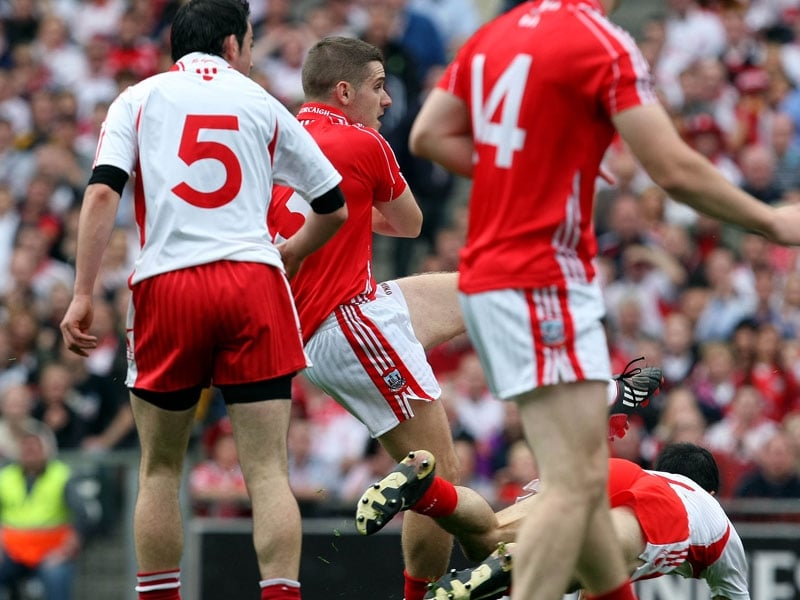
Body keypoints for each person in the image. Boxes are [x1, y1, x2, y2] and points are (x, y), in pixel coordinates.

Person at [408, 1, 800, 598]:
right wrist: (769, 221)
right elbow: (671, 167)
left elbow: (429, 135)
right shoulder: (598, 38)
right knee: (572, 491)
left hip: (483, 280)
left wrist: (536, 165)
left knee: (581, 486)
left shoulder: (494, 33)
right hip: (544, 277)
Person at [268, 35, 662, 600]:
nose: (386, 102)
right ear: (344, 90)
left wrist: (345, 218)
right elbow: (409, 223)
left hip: (350, 309)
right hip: (346, 323)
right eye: (378, 88)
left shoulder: (277, 135)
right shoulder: (361, 142)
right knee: (439, 476)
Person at [58, 1, 348, 599]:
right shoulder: (260, 101)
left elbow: (101, 196)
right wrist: (290, 252)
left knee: (160, 469)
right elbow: (333, 205)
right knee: (268, 470)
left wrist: (83, 292)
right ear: (234, 44)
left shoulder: (136, 99)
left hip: (169, 285)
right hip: (252, 281)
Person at [360, 443, 749, 600]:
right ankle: (521, 562)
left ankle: (428, 491)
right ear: (712, 493)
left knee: (487, 538)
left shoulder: (653, 473)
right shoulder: (718, 526)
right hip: (661, 509)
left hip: (609, 471)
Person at [0, 426, 102, 600]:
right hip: (11, 552)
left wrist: (68, 548)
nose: (30, 453)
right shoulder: (5, 476)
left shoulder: (62, 475)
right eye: (26, 448)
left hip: (50, 552)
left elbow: (85, 514)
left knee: (56, 576)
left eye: (35, 447)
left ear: (47, 451)